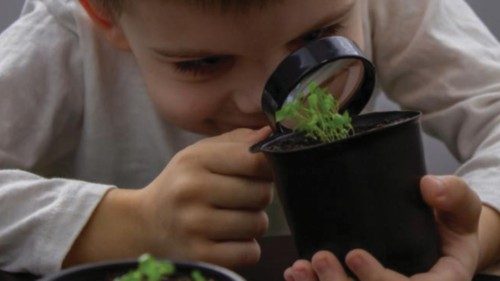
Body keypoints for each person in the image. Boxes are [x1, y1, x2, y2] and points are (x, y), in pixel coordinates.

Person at [1, 0, 500, 280]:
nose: (277, 104)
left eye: (318, 38)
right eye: (203, 63)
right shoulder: (64, 39)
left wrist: (476, 236)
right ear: (107, 16)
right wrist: (125, 223)